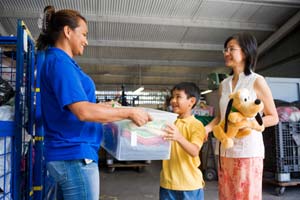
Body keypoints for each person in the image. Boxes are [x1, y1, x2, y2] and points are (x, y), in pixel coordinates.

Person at [36, 6, 151, 200]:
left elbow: (79, 106)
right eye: (84, 34)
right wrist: (129, 112)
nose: (86, 41)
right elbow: (83, 111)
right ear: (67, 31)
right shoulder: (61, 63)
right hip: (74, 156)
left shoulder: (62, 63)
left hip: (70, 155)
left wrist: (106, 107)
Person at [205, 32, 279, 200]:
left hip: (248, 151)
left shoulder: (257, 81)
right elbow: (220, 117)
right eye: (225, 49)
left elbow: (273, 117)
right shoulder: (223, 85)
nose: (226, 53)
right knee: (226, 196)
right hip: (225, 150)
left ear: (245, 52)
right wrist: (206, 129)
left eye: (231, 49)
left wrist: (249, 123)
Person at [160, 82, 206, 200]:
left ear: (191, 101)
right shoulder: (170, 122)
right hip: (167, 183)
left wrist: (179, 137)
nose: (173, 100)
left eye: (178, 96)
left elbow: (195, 151)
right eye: (172, 97)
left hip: (189, 185)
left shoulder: (196, 125)